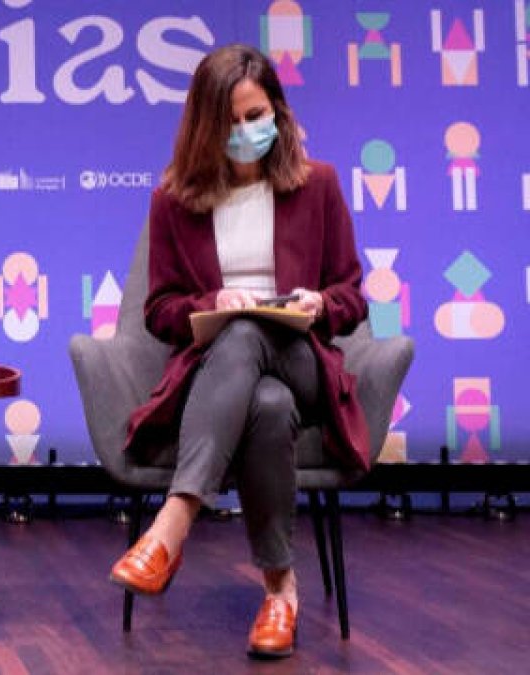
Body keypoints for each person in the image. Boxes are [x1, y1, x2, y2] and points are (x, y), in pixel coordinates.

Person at [110, 44, 369, 660]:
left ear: (277, 112)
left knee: (256, 336)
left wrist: (317, 304)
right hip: (226, 376)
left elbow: (354, 297)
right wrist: (209, 302)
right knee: (267, 401)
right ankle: (280, 591)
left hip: (306, 363)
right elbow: (158, 311)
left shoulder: (319, 184)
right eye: (233, 123)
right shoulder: (174, 200)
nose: (249, 131)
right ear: (206, 127)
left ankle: (172, 525)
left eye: (258, 116)